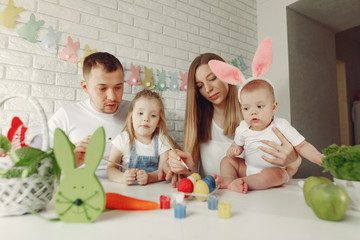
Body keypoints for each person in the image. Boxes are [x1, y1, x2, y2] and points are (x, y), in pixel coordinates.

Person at [167, 52, 302, 181]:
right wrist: (185, 168)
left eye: (212, 78)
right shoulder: (200, 123)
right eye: (200, 86)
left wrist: (294, 161)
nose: (208, 89)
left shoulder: (254, 116)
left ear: (227, 76)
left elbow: (285, 173)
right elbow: (193, 176)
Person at [48, 52, 130, 179]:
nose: (112, 97)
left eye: (118, 87)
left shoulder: (136, 112)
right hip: (81, 190)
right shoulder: (66, 116)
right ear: (85, 87)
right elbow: (40, 164)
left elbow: (163, 146)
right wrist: (68, 162)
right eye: (102, 89)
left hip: (128, 189)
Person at [107, 89, 177, 185]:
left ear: (159, 122)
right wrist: (122, 178)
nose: (146, 119)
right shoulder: (123, 139)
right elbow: (111, 169)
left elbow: (163, 171)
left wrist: (149, 177)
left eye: (153, 115)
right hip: (127, 193)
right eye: (140, 113)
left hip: (154, 193)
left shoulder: (162, 141)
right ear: (131, 117)